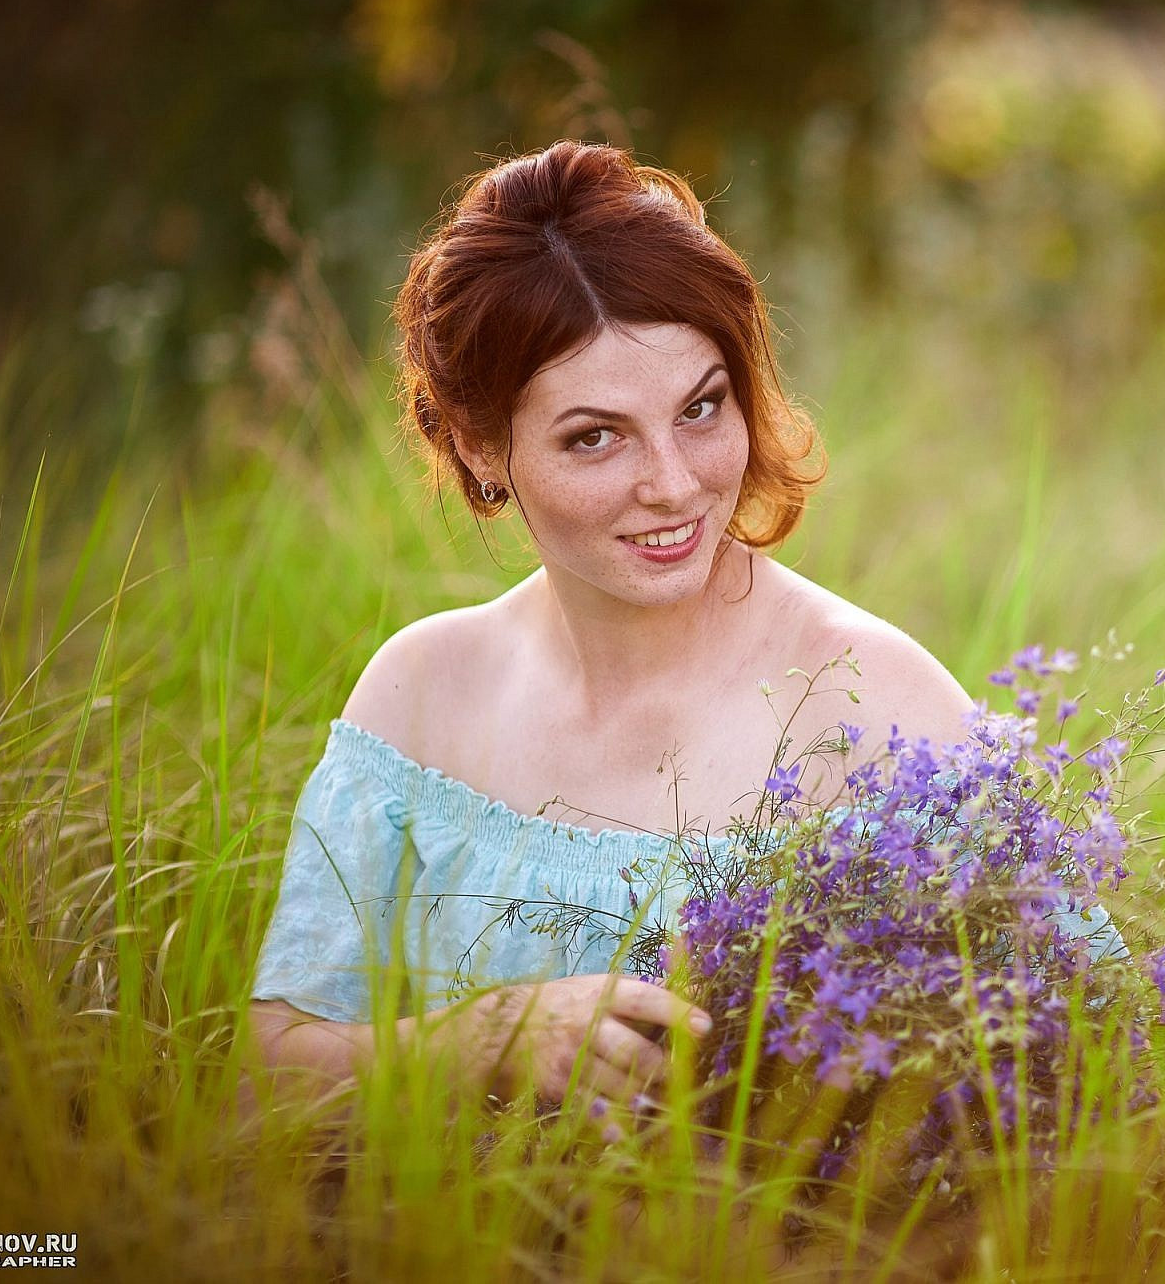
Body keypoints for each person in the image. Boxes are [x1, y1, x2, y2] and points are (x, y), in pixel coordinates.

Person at [241, 139, 982, 1124]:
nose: (672, 484)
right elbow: (263, 1085)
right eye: (595, 435)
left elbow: (1086, 1059)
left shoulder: (882, 704)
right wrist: (477, 1041)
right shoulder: (420, 690)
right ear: (478, 443)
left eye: (701, 408)